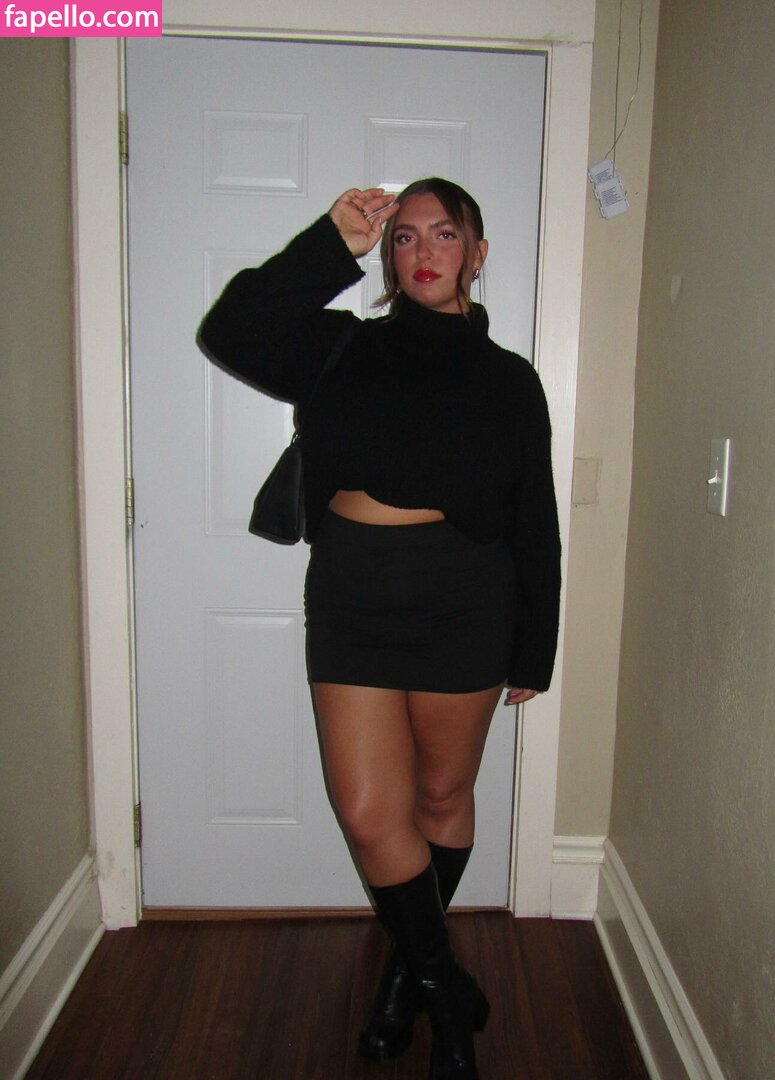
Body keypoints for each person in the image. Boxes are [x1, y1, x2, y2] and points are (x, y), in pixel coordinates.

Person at [198, 178, 561, 1080]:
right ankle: (447, 994)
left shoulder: (510, 380)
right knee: (368, 811)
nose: (423, 252)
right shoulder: (339, 347)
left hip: (466, 599)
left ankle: (405, 980)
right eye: (404, 237)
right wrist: (330, 243)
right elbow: (231, 329)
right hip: (353, 595)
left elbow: (535, 522)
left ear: (478, 253)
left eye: (445, 234)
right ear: (388, 257)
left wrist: (536, 646)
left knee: (440, 796)